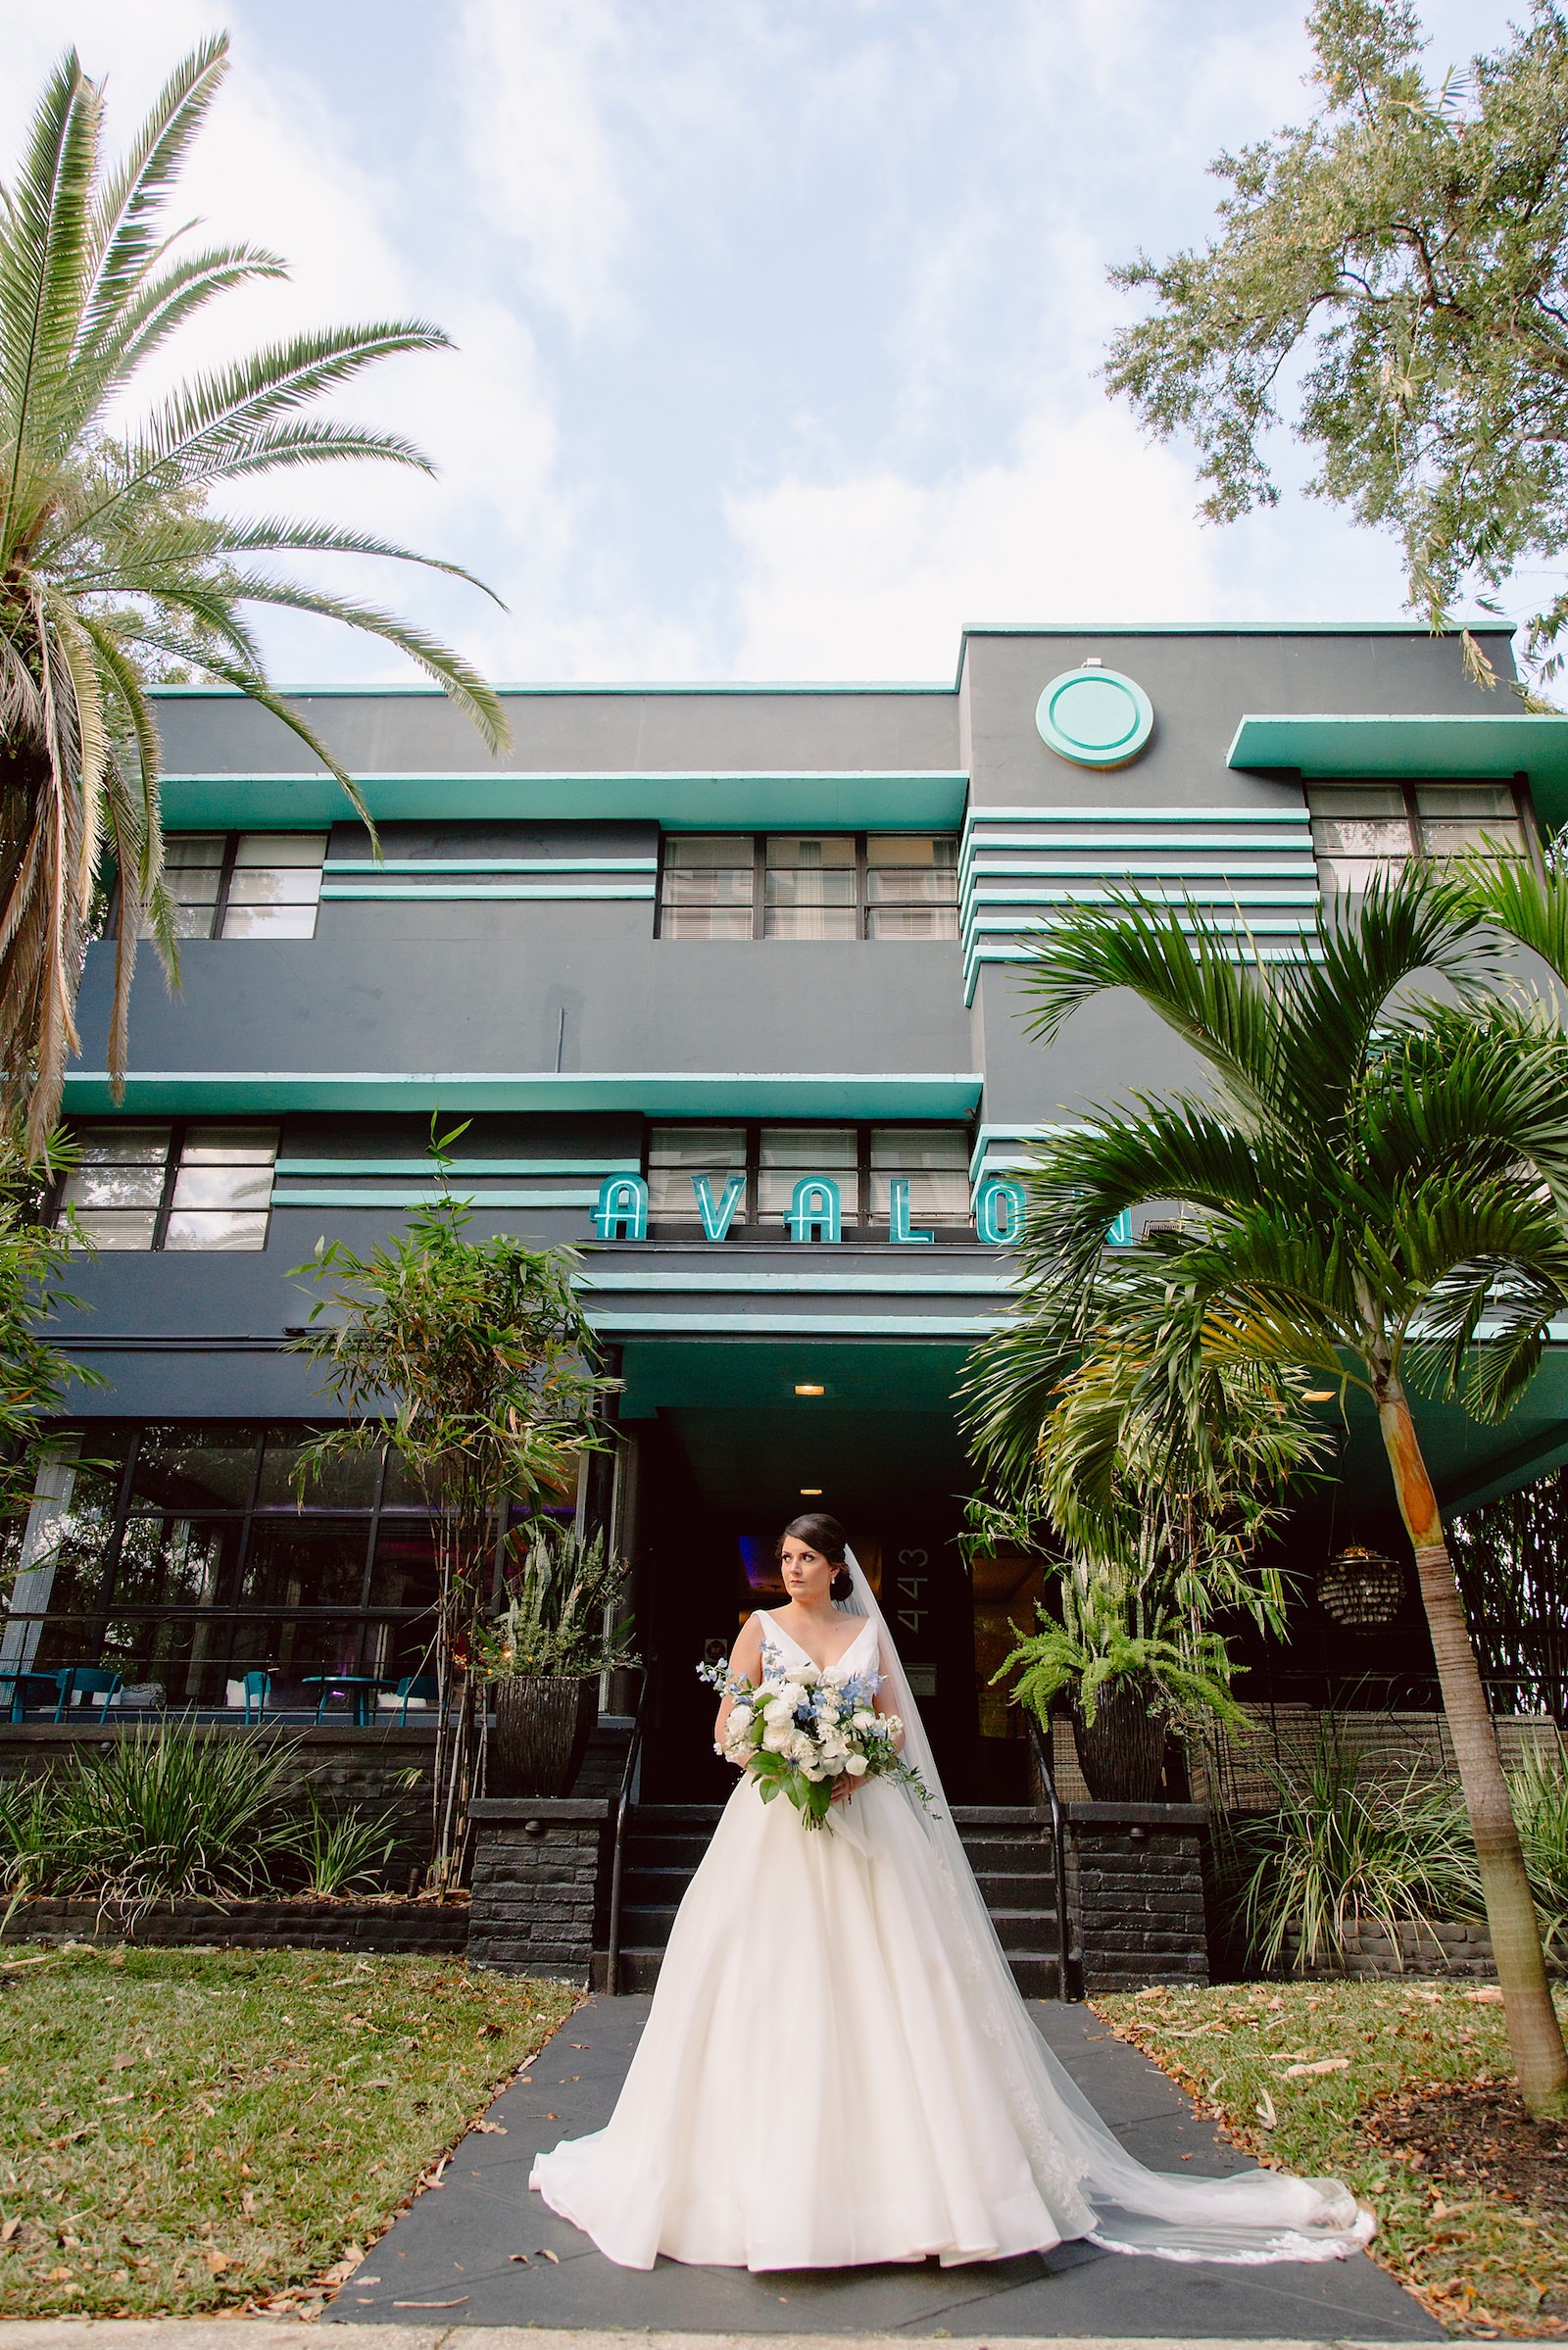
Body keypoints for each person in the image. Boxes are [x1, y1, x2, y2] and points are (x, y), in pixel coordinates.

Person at [530, 1511, 1373, 2273]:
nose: (791, 1568)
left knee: (894, 1981)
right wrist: (784, 1756)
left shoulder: (866, 1634)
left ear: (836, 1566)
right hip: (776, 1825)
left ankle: (924, 2186)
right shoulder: (758, 1629)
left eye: (806, 1557)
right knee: (765, 1979)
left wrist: (856, 1760)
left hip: (864, 1820)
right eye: (785, 1557)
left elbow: (895, 1726)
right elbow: (728, 1723)